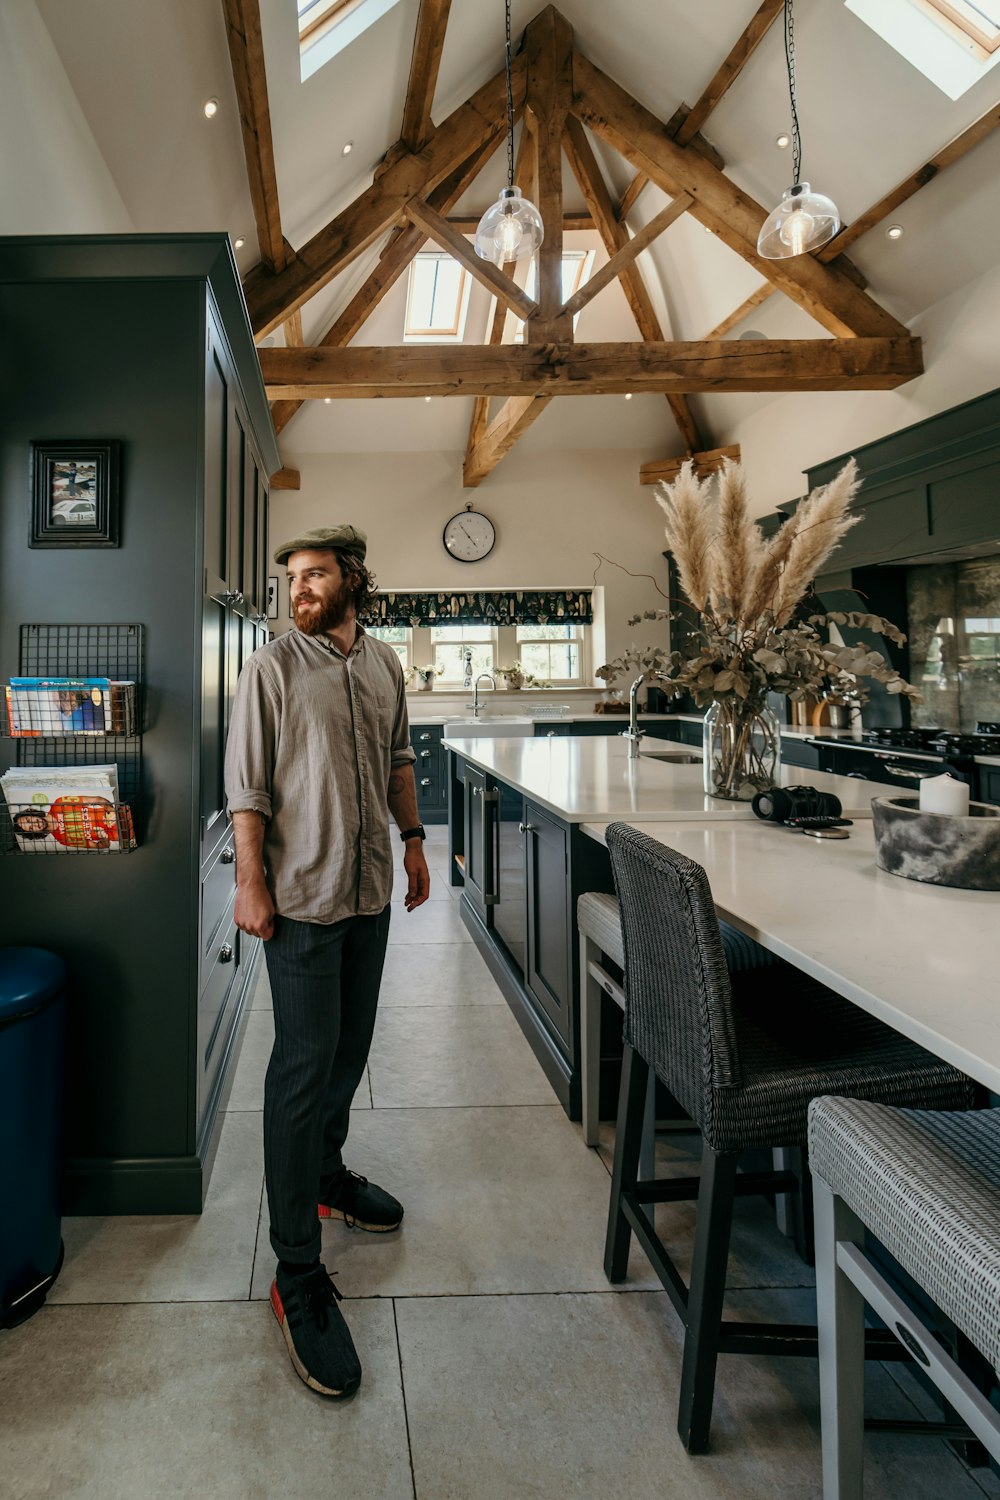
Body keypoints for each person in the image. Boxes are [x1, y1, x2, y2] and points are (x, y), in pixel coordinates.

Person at [224, 524, 430, 1400]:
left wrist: (415, 843)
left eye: (314, 575)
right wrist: (249, 882)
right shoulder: (272, 667)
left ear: (352, 577)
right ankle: (296, 1271)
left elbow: (398, 759)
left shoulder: (382, 665)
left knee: (348, 1051)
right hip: (302, 896)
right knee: (302, 1068)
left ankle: (326, 1177)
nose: (298, 589)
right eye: (291, 579)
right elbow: (248, 786)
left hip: (371, 889)